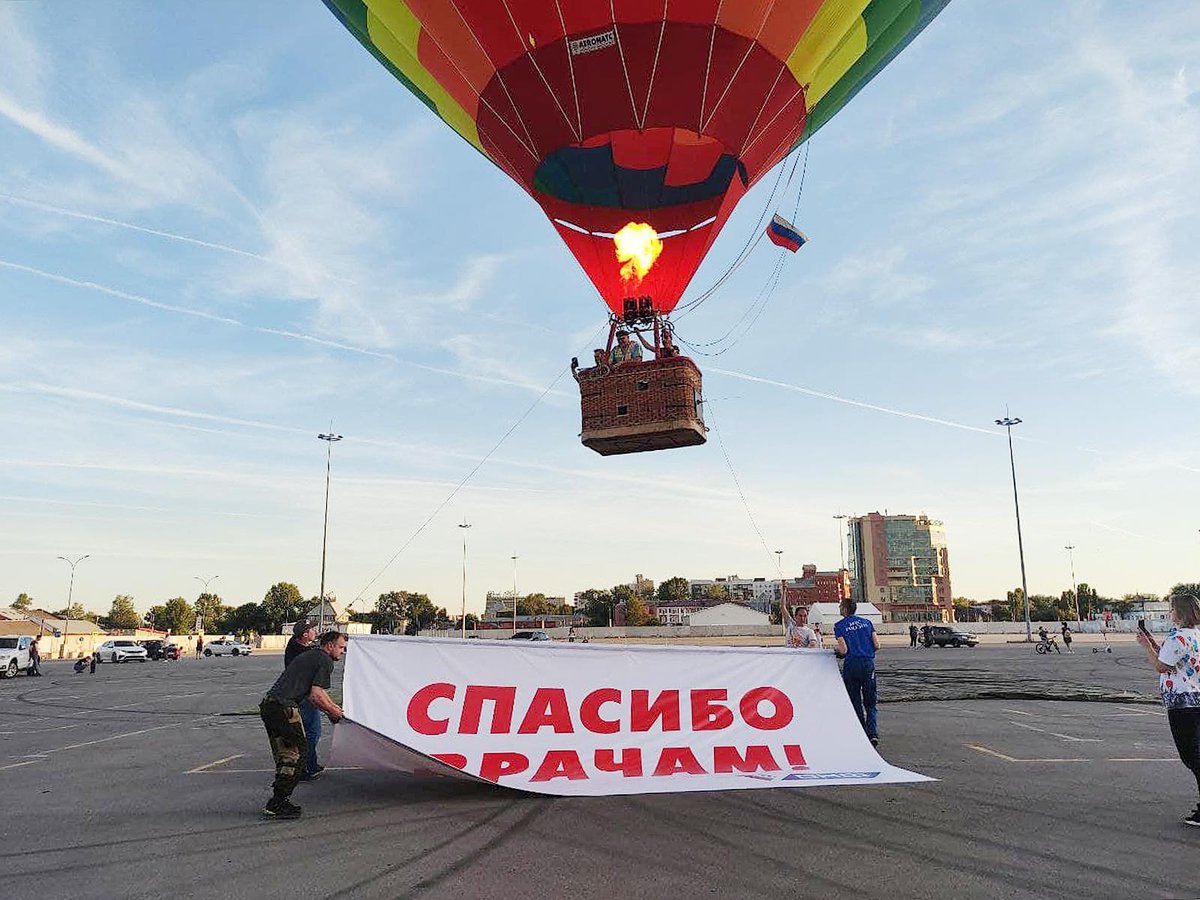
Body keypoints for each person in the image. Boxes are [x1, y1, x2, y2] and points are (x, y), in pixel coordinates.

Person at [259, 631, 347, 819]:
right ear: (330, 645)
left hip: (270, 705)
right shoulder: (324, 660)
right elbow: (316, 694)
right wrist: (334, 712)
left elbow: (312, 696)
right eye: (341, 647)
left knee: (287, 755)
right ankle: (277, 803)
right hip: (283, 707)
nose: (342, 651)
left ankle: (278, 800)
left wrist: (332, 710)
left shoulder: (310, 655)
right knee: (298, 754)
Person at [1135, 594, 1200, 827]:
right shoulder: (1195, 635)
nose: (1169, 612)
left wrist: (1145, 647)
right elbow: (1169, 654)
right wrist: (1152, 642)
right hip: (1197, 699)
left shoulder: (1178, 637)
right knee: (1196, 752)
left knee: (1191, 756)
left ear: (1179, 613)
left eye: (1171, 609)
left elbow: (1162, 665)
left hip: (1181, 703)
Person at [834, 599, 880, 746]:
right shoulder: (867, 623)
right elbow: (877, 645)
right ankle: (872, 733)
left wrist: (836, 653)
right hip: (867, 664)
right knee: (871, 702)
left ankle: (860, 732)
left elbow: (844, 650)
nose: (840, 609)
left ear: (846, 609)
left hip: (852, 665)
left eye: (841, 606)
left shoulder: (839, 626)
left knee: (855, 701)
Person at [284, 621, 323, 781]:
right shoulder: (303, 653)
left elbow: (306, 643)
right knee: (312, 732)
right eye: (311, 630)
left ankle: (311, 764)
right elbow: (314, 652)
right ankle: (304, 767)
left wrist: (317, 636)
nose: (315, 631)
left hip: (298, 695)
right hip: (304, 697)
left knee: (309, 731)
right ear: (305, 635)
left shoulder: (294, 643)